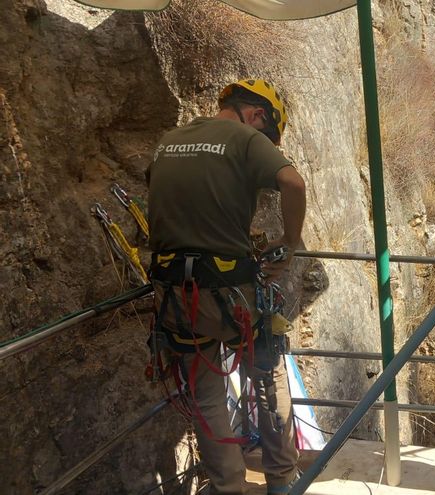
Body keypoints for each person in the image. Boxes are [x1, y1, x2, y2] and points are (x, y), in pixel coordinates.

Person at [147, 79, 307, 495]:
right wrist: (288, 244)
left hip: (175, 296)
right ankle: (282, 478)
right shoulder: (243, 138)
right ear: (256, 115)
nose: (265, 139)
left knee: (204, 394)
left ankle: (227, 486)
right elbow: (293, 183)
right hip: (229, 292)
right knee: (266, 371)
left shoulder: (169, 139)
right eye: (267, 132)